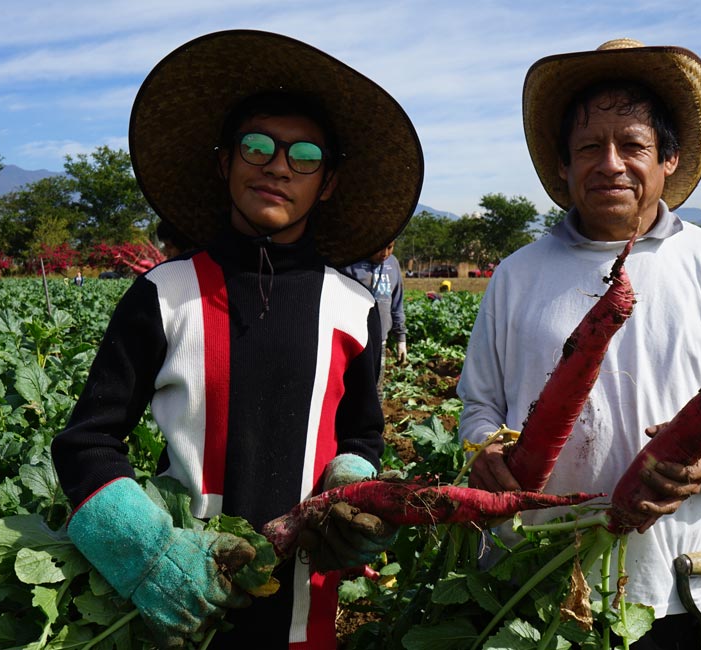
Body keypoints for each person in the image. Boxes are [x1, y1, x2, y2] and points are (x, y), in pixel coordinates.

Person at [51, 29, 423, 649]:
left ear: (326, 183)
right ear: (226, 162)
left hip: (307, 598)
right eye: (258, 147)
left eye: (305, 157)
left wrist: (356, 483)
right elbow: (86, 441)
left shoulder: (355, 308)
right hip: (182, 597)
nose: (279, 165)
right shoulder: (162, 295)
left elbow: (362, 436)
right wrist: (147, 553)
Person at [457, 38, 701, 649]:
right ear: (563, 165)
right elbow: (477, 406)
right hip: (530, 582)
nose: (610, 163)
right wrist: (483, 449)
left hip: (672, 588)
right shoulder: (516, 275)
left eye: (632, 145)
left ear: (669, 159)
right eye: (588, 147)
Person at [340, 240, 408, 400]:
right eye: (380, 247)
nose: (385, 253)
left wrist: (401, 339)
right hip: (354, 340)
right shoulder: (351, 263)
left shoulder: (393, 264)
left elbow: (397, 303)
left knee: (376, 387)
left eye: (390, 247)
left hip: (380, 340)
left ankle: (374, 423)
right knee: (350, 387)